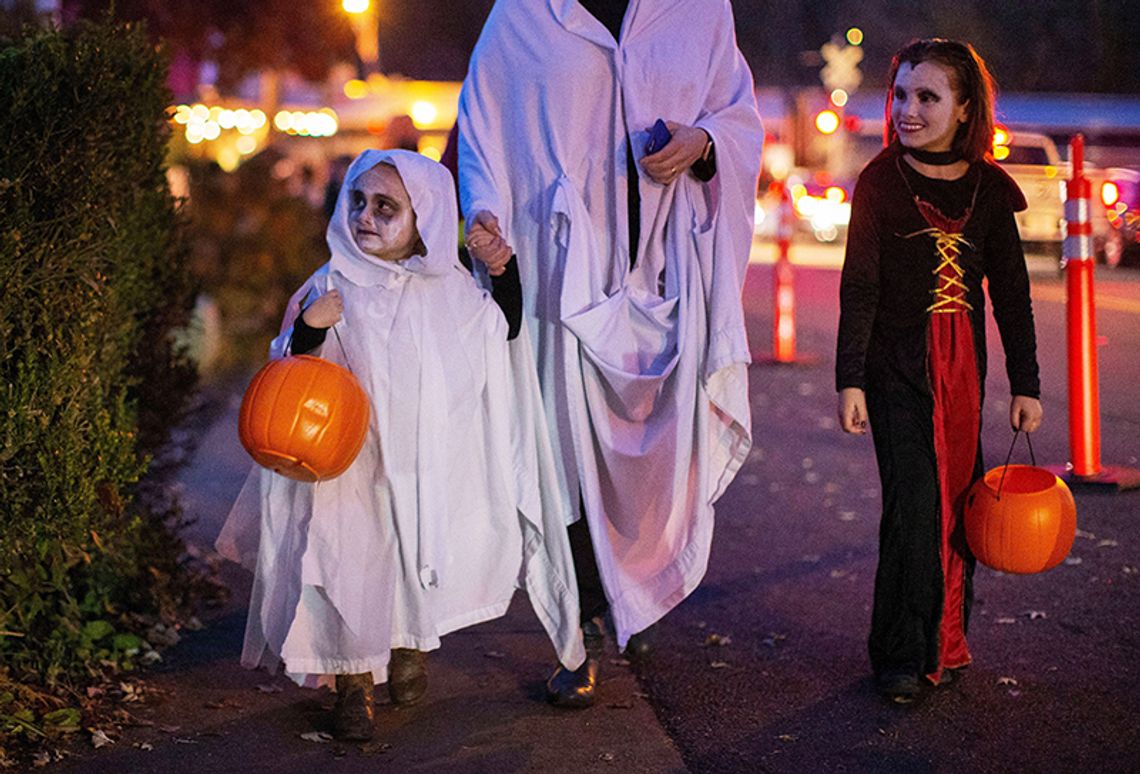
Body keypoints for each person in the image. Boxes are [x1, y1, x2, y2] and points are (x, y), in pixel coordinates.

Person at [217, 150, 584, 740]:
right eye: (358, 202)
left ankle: (409, 647)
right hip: (344, 469)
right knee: (342, 566)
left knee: (411, 560)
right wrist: (310, 327)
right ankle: (354, 686)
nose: (365, 216)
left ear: (425, 220)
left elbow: (501, 333)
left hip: (418, 466)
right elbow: (286, 369)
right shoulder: (329, 281)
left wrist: (506, 270)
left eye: (386, 207)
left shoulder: (450, 292)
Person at [458, 0, 763, 707]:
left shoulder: (697, 10)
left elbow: (737, 116)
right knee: (563, 456)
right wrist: (483, 216)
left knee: (656, 458)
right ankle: (581, 629)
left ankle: (634, 587)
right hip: (558, 280)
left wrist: (705, 143)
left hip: (665, 280)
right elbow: (483, 130)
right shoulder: (524, 15)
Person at [835, 39, 1043, 703]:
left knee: (960, 506)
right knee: (914, 508)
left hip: (964, 378)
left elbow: (1011, 294)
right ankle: (900, 653)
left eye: (927, 97)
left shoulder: (989, 190)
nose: (908, 109)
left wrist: (1027, 384)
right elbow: (859, 286)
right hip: (897, 372)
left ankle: (947, 641)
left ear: (963, 109)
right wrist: (850, 379)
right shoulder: (879, 183)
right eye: (901, 95)